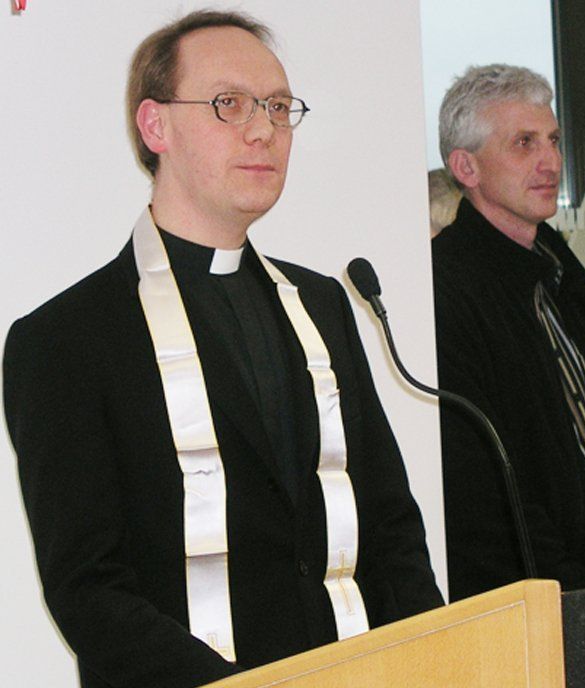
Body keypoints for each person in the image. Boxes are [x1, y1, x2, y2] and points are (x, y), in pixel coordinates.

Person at [3, 11, 441, 688]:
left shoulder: (323, 304)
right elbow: (89, 591)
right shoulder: (66, 339)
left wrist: (432, 662)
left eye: (278, 107)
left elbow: (391, 531)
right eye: (229, 104)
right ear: (156, 127)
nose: (263, 130)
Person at [432, 64, 585, 602]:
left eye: (552, 140)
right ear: (466, 167)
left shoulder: (557, 260)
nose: (551, 161)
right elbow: (480, 481)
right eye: (524, 143)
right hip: (539, 597)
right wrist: (567, 591)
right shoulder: (446, 284)